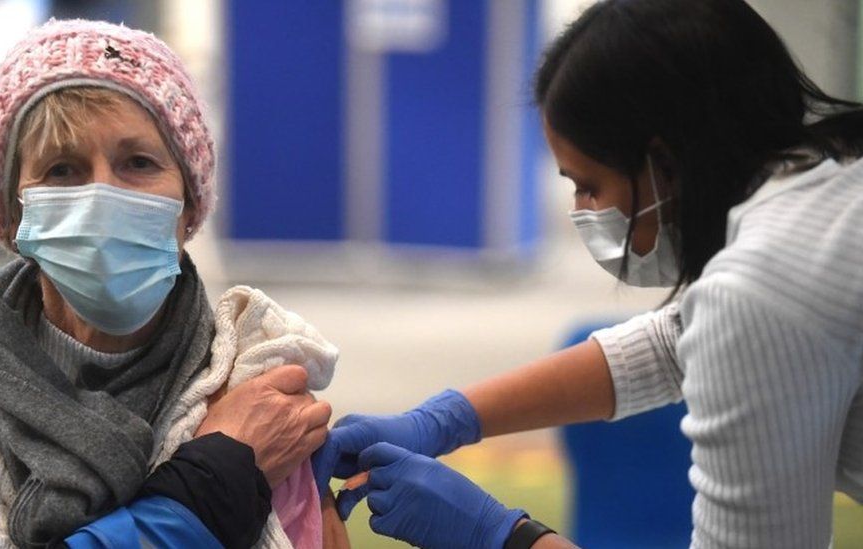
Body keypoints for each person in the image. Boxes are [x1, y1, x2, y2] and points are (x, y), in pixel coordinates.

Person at [312, 0, 863, 547]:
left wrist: (499, 535)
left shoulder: (762, 290)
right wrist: (444, 420)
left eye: (589, 185)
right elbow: (683, 338)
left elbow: (735, 321)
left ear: (663, 163)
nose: (584, 210)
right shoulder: (833, 187)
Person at [0, 19, 349, 549]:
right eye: (62, 170)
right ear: (14, 218)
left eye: (138, 163)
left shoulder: (258, 374)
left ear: (189, 205)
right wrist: (211, 480)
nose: (101, 196)